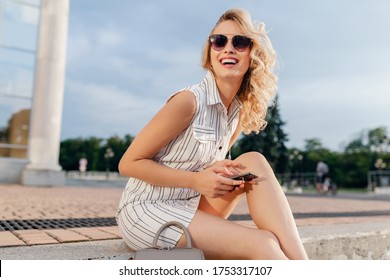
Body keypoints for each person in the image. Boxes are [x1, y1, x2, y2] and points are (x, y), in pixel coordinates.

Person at [116, 8, 308, 260]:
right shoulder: (188, 102)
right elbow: (128, 164)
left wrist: (215, 176)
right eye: (219, 41)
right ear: (210, 53)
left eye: (239, 42)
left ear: (253, 54)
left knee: (254, 162)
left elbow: (211, 168)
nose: (228, 48)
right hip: (147, 211)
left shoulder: (238, 113)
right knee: (263, 243)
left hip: (191, 206)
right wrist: (196, 181)